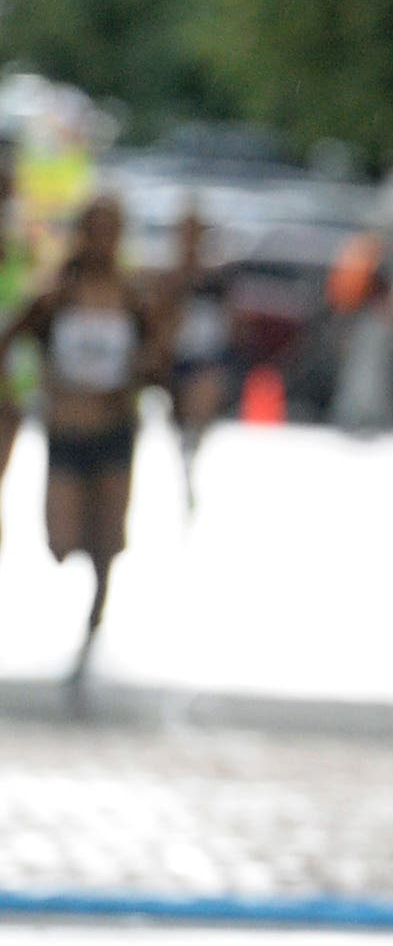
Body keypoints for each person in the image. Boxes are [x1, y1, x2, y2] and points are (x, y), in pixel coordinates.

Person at [0, 194, 169, 702]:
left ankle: (94, 619)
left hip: (115, 426)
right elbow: (13, 336)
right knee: (62, 539)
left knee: (106, 538)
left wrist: (143, 369)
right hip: (68, 427)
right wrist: (24, 391)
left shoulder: (133, 295)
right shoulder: (57, 294)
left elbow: (159, 352)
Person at [163, 201, 234, 511]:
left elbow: (228, 316)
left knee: (199, 409)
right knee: (179, 419)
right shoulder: (169, 274)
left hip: (205, 355)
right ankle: (183, 463)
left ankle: (191, 467)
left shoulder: (216, 274)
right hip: (175, 355)